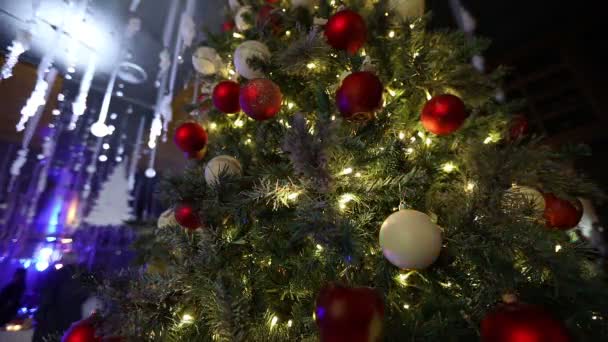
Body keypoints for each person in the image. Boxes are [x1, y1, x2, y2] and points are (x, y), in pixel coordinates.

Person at [33, 253, 90, 342]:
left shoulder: (57, 274)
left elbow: (46, 295)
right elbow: (85, 296)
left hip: (53, 317)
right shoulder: (83, 277)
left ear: (64, 261)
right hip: (73, 318)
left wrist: (39, 314)